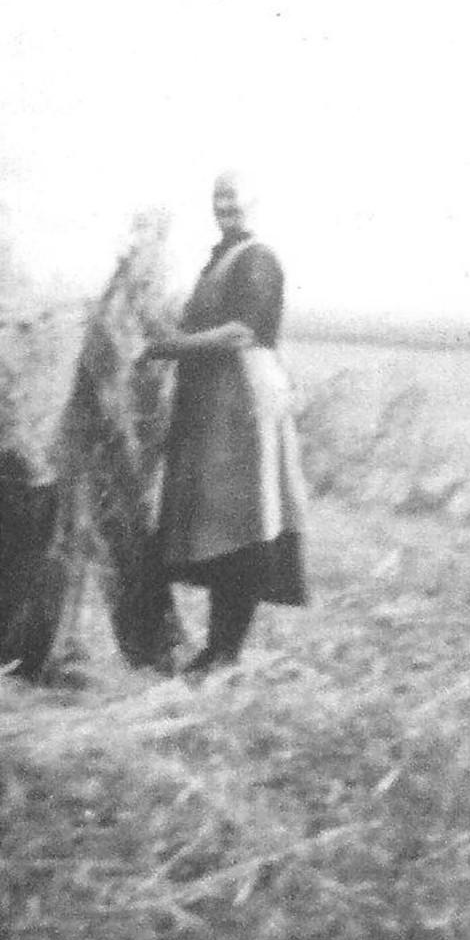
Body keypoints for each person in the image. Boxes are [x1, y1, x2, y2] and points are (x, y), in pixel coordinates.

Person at [141, 171, 308, 674]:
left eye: (233, 198)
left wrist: (166, 347)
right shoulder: (222, 258)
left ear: (257, 201)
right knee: (216, 525)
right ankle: (216, 649)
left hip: (242, 403)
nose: (224, 206)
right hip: (213, 399)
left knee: (243, 525)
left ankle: (226, 652)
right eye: (218, 198)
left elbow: (240, 333)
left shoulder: (257, 258)